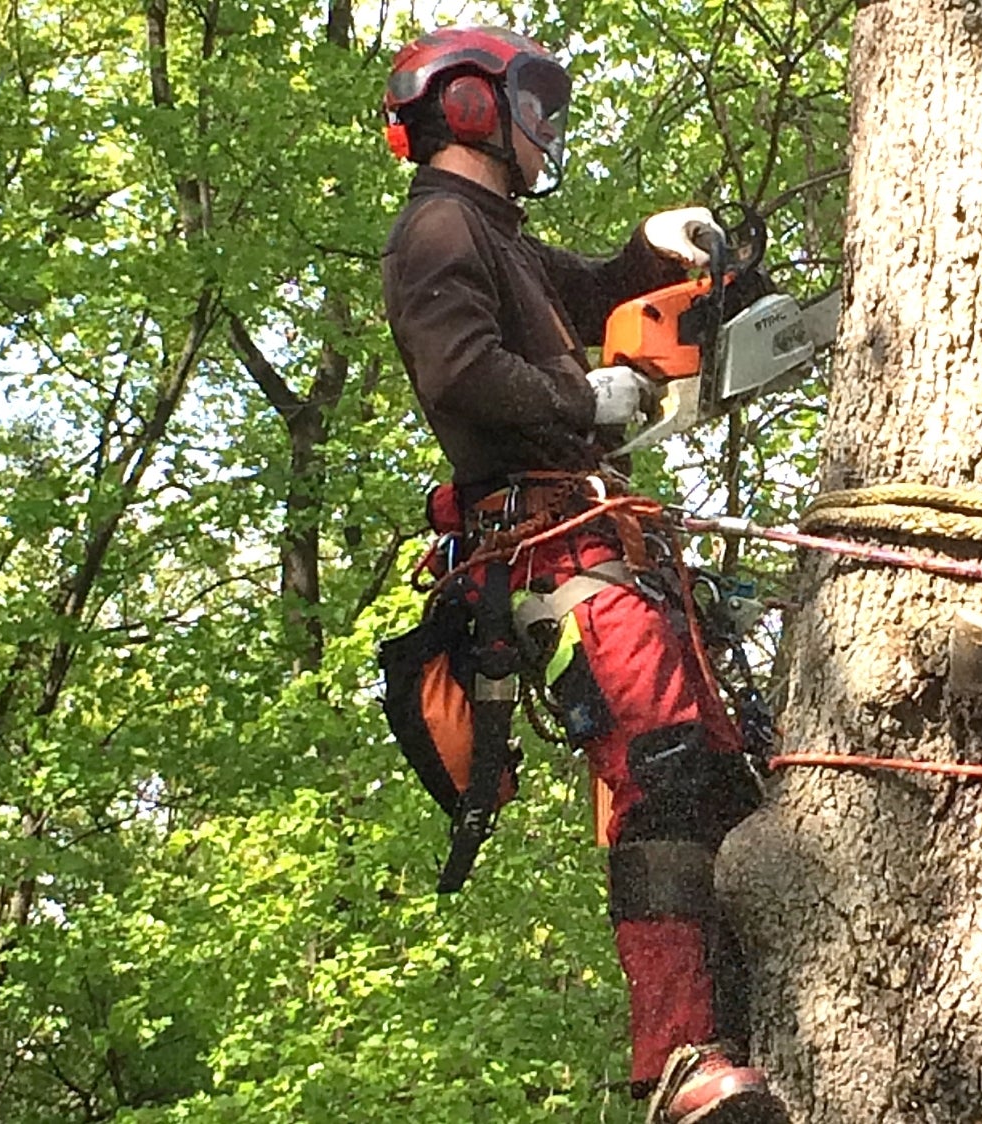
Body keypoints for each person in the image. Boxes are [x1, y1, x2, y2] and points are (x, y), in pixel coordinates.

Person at [377, 25, 786, 1124]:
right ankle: (677, 1059)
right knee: (660, 769)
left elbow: (594, 291)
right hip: (551, 548)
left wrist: (656, 255)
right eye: (531, 102)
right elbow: (460, 369)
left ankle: (743, 1034)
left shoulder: (500, 237)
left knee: (721, 773)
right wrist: (578, 402)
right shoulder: (433, 232)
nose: (546, 124)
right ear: (468, 109)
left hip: (609, 542)